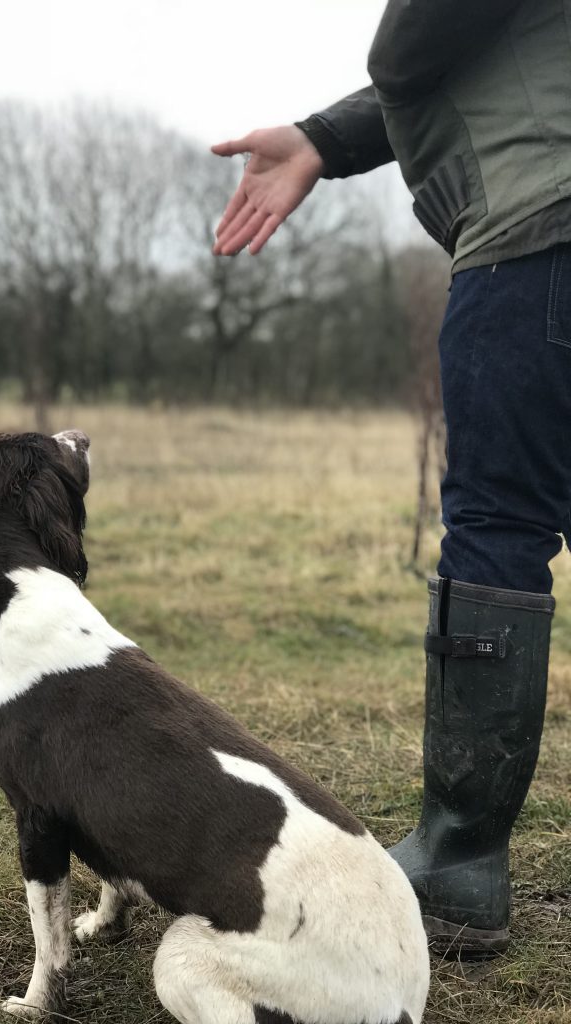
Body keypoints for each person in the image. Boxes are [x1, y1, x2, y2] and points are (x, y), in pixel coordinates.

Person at [211, 0, 571, 959]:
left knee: (499, 528)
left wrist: (382, 67)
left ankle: (459, 858)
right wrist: (325, 137)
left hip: (540, 237)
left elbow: (424, 35)